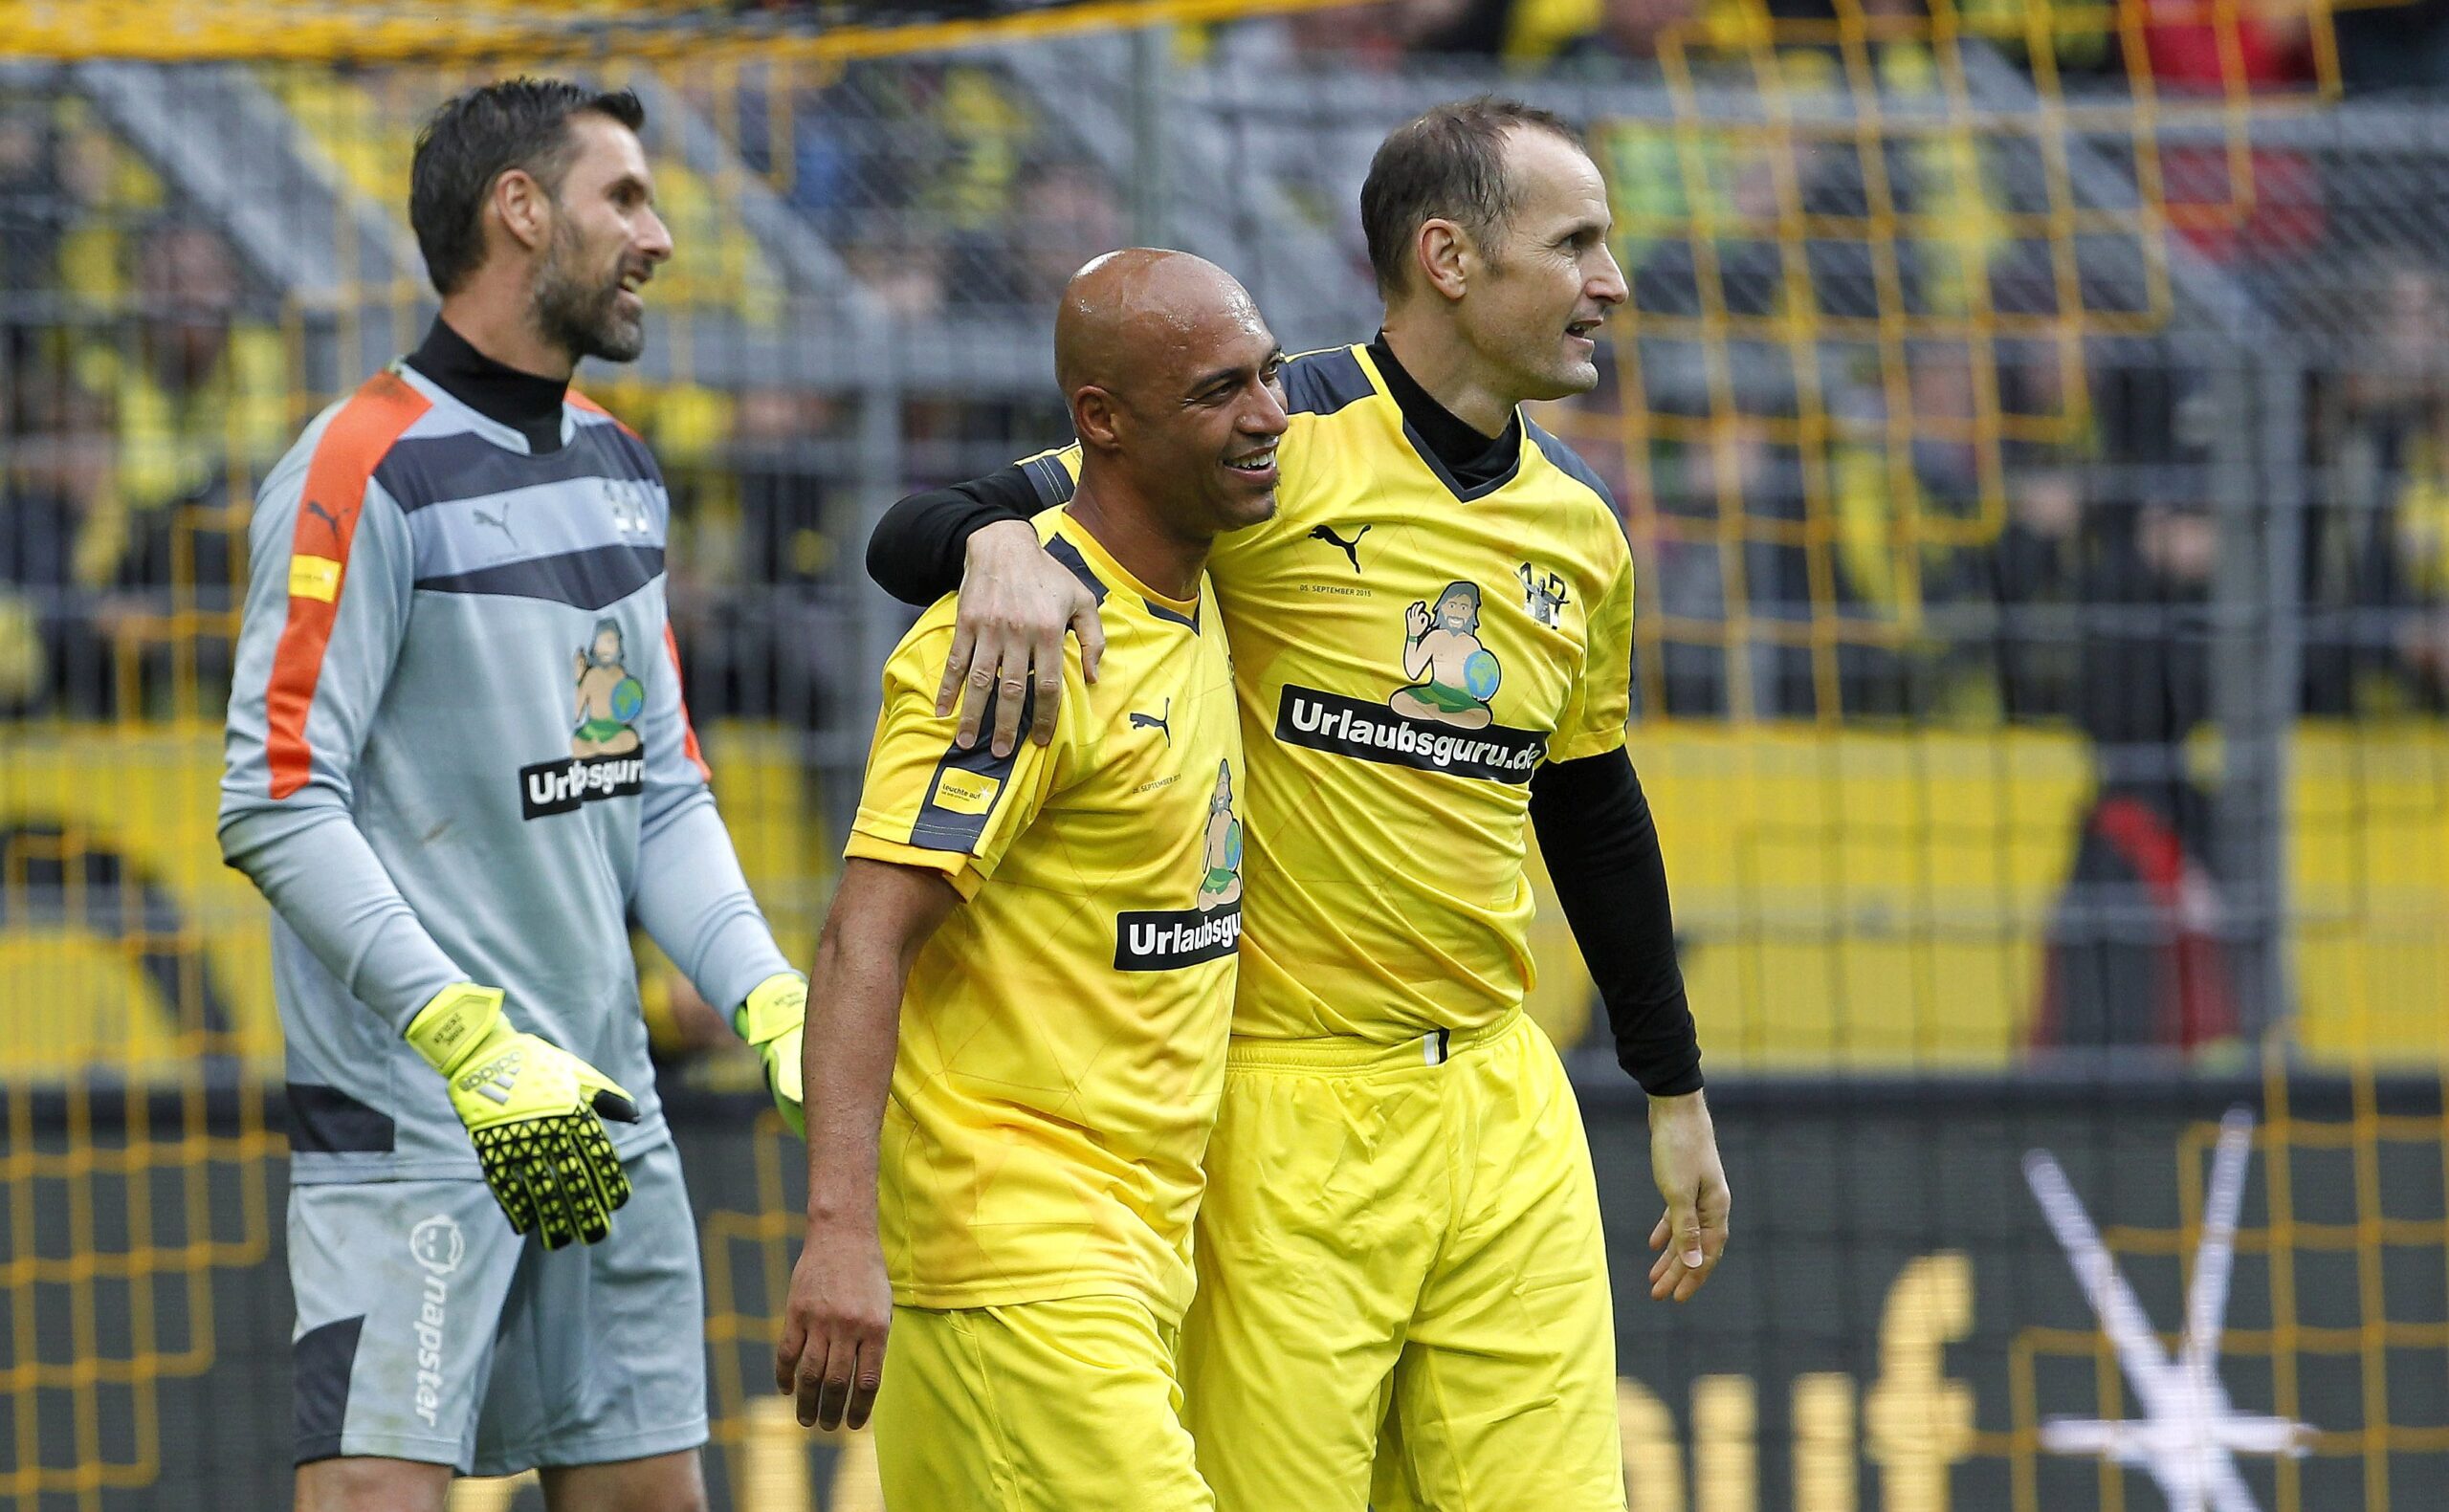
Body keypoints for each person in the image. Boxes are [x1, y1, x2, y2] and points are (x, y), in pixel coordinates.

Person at [864, 97, 1732, 1511]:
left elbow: (1593, 807)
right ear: (1449, 257)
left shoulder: (1583, 525)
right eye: (1577, 241)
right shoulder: (1270, 435)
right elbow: (910, 530)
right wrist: (999, 542)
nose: (1611, 282)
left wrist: (1674, 1089)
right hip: (1284, 1103)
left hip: (1506, 1106)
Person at [218, 78, 806, 1512]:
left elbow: (658, 786)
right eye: (625, 198)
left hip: (602, 1107)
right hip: (423, 1116)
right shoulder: (357, 469)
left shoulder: (616, 464)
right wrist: (469, 1044)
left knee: (651, 1497)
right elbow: (276, 798)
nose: (660, 235)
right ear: (519, 210)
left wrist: (765, 993)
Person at [775, 249, 1285, 1511]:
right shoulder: (1015, 644)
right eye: (1222, 391)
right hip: (1019, 1264)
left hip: (1127, 1260)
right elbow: (862, 934)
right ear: (1103, 422)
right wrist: (839, 1230)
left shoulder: (1193, 575)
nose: (1269, 415)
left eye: (1269, 376)